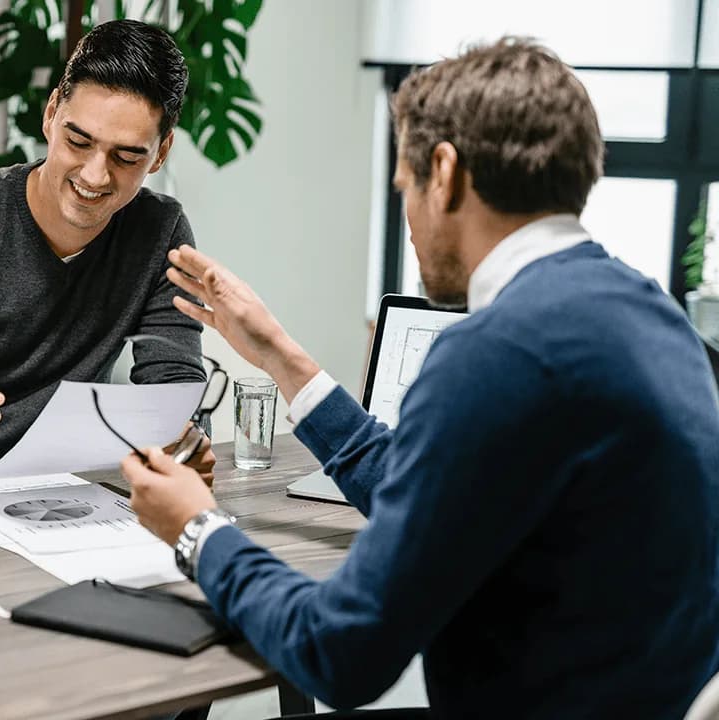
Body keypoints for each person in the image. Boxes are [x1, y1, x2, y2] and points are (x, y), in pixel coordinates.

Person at [122, 38, 719, 717]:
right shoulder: (654, 316)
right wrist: (281, 356)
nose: (407, 221)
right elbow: (435, 490)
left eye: (404, 187)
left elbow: (339, 653)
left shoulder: (497, 351)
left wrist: (198, 530)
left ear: (445, 172)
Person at [0, 19, 215, 487]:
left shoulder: (159, 231)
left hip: (68, 490)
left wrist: (183, 443)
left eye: (126, 157)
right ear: (51, 113)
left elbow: (172, 384)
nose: (95, 175)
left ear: (160, 153)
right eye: (79, 141)